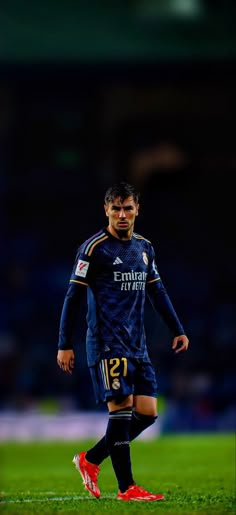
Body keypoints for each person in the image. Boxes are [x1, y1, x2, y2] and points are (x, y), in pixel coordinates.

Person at [57, 181, 189, 502]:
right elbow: (73, 296)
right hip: (106, 343)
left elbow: (157, 291)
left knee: (147, 413)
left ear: (136, 210)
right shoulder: (94, 249)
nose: (121, 214)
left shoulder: (144, 248)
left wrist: (178, 329)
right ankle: (127, 488)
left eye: (127, 208)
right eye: (115, 208)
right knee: (121, 410)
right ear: (106, 210)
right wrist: (64, 343)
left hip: (137, 345)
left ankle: (90, 459)